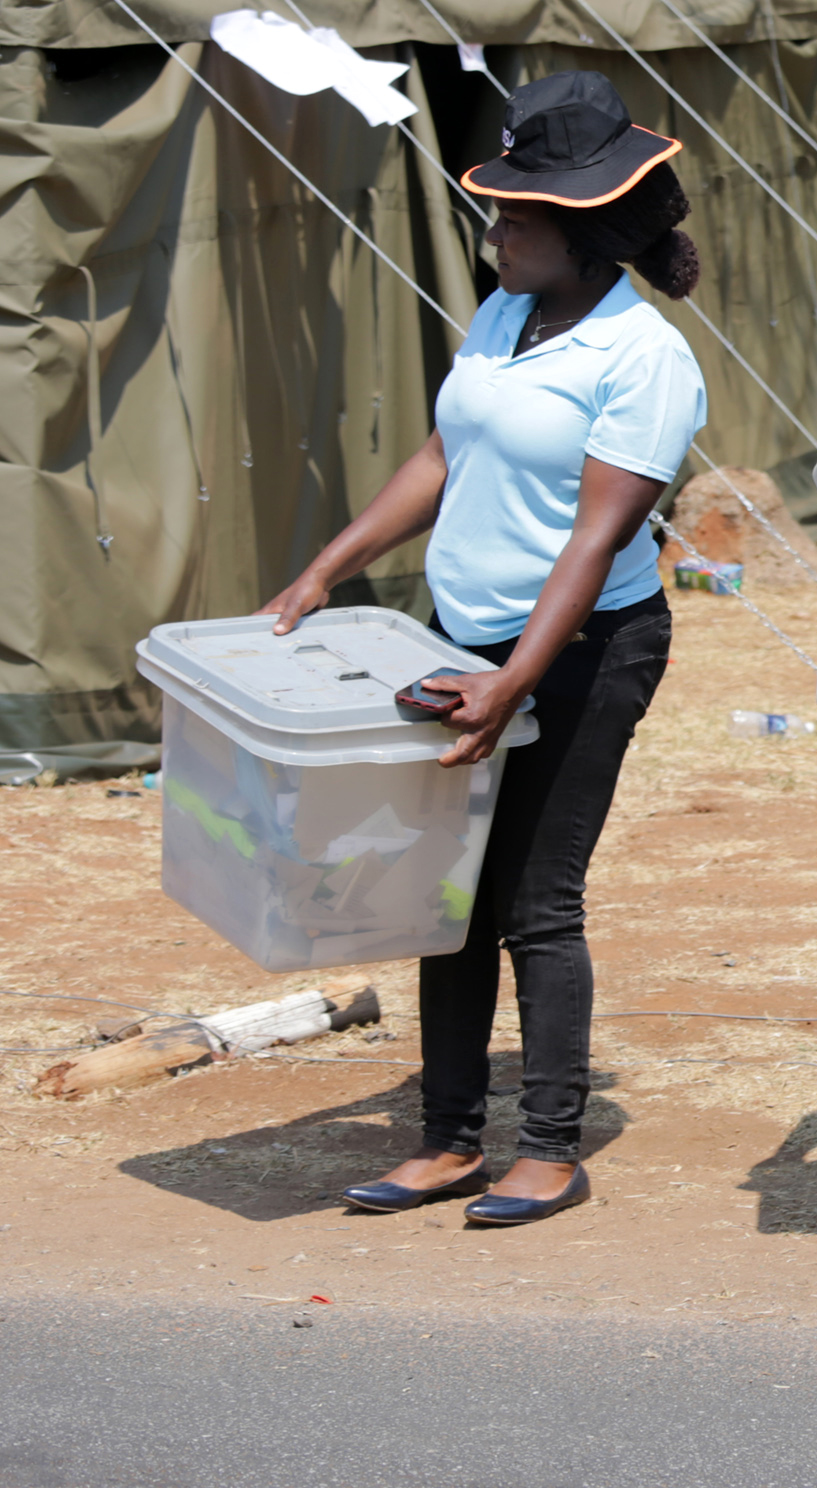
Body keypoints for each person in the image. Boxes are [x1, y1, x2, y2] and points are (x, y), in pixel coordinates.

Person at [261, 69, 708, 1228]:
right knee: (443, 892)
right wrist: (327, 566)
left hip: (585, 649)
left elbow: (596, 537)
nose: (494, 232)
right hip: (468, 641)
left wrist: (517, 680)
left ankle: (549, 1146)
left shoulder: (643, 357)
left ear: (580, 227)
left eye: (514, 216)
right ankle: (447, 1138)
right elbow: (439, 454)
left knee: (534, 898)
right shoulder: (510, 313)